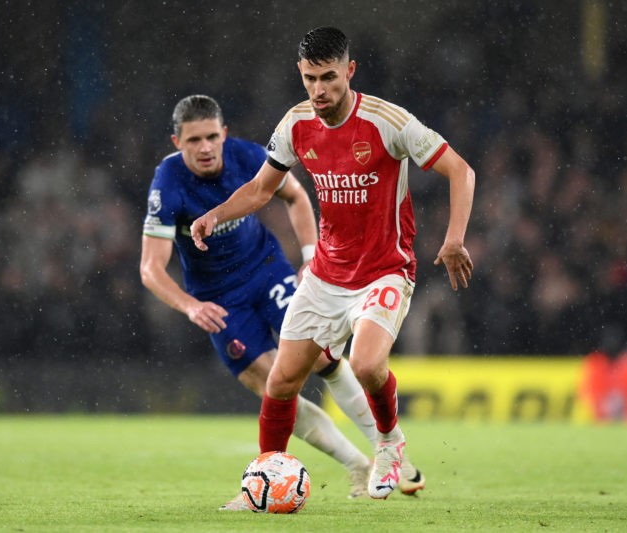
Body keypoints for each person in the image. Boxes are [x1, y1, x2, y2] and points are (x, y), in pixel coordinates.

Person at [190, 27, 475, 499]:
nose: (319, 90)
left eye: (328, 78)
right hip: (325, 275)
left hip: (385, 269)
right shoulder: (297, 124)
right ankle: (260, 483)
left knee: (365, 364)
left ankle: (389, 444)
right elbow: (263, 189)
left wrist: (454, 238)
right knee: (281, 381)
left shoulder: (389, 122)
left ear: (350, 71)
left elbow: (460, 170)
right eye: (309, 79)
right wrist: (214, 216)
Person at [139, 94, 426, 509]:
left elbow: (294, 196)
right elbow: (151, 268)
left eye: (212, 137)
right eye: (193, 140)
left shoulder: (248, 156)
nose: (204, 148)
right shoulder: (167, 184)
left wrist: (311, 258)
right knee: (272, 383)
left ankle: (394, 454)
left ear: (225, 133)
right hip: (219, 300)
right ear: (176, 141)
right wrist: (189, 306)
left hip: (267, 271)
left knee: (324, 360)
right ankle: (354, 465)